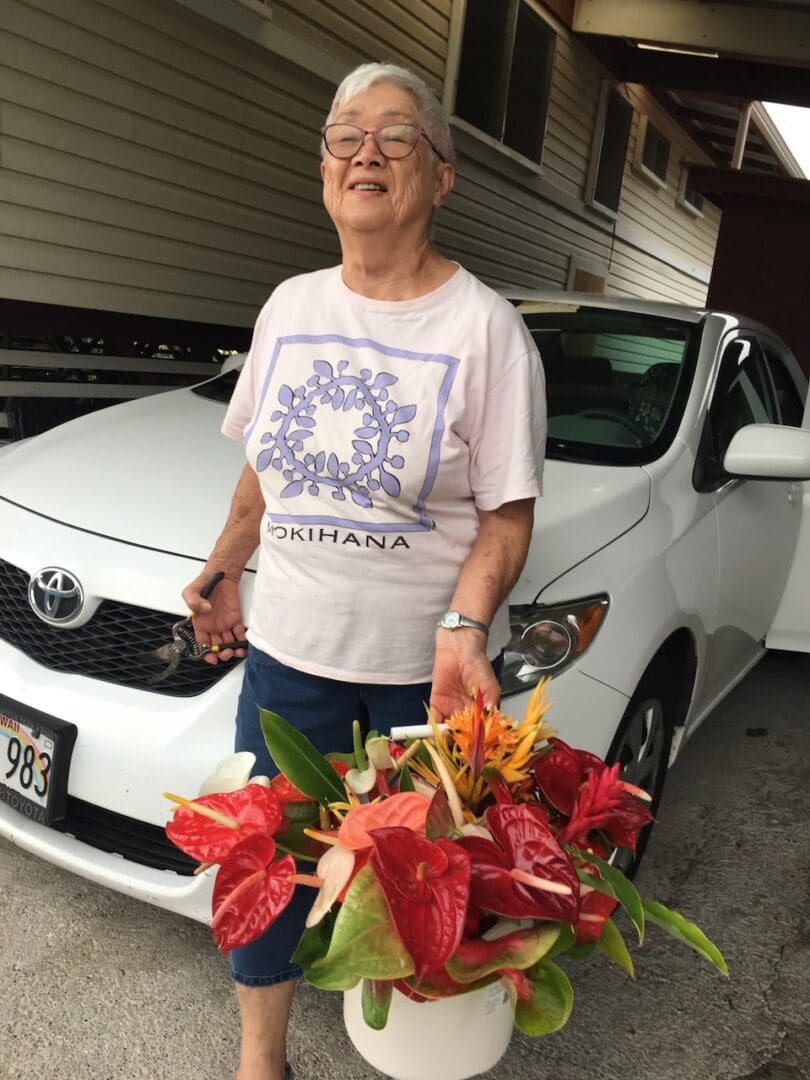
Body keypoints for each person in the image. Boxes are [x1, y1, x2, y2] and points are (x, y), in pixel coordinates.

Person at [182, 61, 546, 1080]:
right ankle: (263, 1059)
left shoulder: (486, 331)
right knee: (268, 869)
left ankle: (412, 1058)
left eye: (396, 135)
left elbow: (509, 520)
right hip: (288, 662)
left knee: (408, 899)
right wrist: (224, 566)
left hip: (413, 683)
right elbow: (265, 467)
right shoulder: (291, 306)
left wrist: (466, 623)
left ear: (442, 176)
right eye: (346, 136)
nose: (366, 152)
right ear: (325, 169)